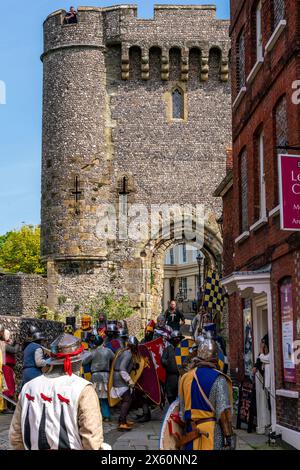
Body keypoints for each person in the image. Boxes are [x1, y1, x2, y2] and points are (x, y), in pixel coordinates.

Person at [9, 333, 105, 450]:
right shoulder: (83, 389)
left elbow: (16, 435)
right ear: (77, 361)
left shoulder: (28, 387)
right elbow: (91, 438)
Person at [178, 332, 234, 450]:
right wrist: (228, 437)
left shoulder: (185, 378)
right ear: (215, 358)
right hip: (211, 434)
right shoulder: (218, 379)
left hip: (190, 434)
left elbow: (182, 413)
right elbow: (223, 413)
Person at [110, 336, 140, 431]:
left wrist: (133, 366)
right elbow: (122, 368)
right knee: (127, 400)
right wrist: (129, 381)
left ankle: (122, 420)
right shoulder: (128, 354)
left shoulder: (123, 351)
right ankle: (122, 422)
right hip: (120, 378)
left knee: (126, 400)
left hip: (118, 376)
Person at [83, 340, 114, 422]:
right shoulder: (108, 351)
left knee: (95, 397)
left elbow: (83, 362)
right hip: (106, 376)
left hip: (96, 376)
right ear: (102, 342)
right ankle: (106, 415)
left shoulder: (92, 352)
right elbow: (114, 359)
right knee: (104, 397)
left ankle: (98, 415)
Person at [161, 330, 183, 404]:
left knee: (181, 394)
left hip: (182, 376)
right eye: (175, 338)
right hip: (171, 376)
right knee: (170, 395)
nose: (177, 340)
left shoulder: (183, 349)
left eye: (178, 338)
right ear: (172, 339)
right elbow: (163, 359)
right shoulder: (168, 349)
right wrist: (168, 362)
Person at [0, 329, 19, 413]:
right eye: (8, 335)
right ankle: (6, 407)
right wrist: (17, 344)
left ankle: (9, 406)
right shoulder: (2, 343)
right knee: (8, 387)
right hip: (5, 366)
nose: (9, 337)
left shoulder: (4, 343)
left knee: (11, 386)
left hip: (8, 367)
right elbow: (14, 350)